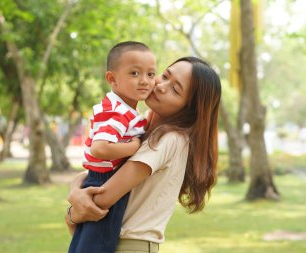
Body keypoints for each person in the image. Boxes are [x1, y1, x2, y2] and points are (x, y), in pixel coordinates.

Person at [66, 56, 221, 253]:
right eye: (164, 76)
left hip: (129, 245)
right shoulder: (139, 130)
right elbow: (102, 173)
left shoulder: (170, 139)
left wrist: (72, 214)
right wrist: (75, 190)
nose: (161, 86)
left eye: (175, 89)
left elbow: (104, 197)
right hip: (109, 240)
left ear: (189, 109)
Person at [67, 41, 156, 253]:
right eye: (134, 73)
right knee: (99, 245)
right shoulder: (119, 113)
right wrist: (133, 147)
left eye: (151, 74)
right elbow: (100, 148)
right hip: (106, 180)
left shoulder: (119, 108)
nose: (144, 81)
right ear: (112, 79)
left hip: (99, 176)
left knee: (85, 244)